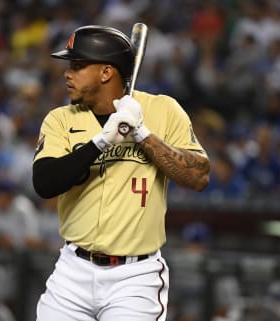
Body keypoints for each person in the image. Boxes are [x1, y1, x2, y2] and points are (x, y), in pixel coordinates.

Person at [32, 25, 210, 321]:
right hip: (72, 271)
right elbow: (45, 183)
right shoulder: (60, 119)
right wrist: (101, 141)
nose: (67, 73)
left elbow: (199, 176)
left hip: (134, 277)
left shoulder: (162, 110)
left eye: (77, 66)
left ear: (106, 73)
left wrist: (141, 133)